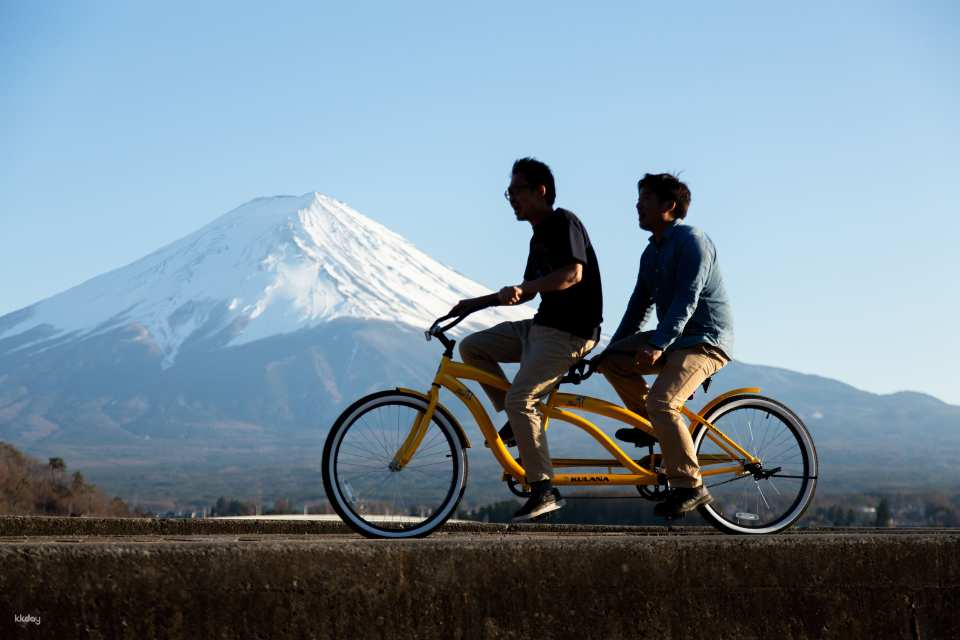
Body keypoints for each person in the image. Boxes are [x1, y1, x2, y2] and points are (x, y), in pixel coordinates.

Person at [449, 157, 603, 522]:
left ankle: (543, 488)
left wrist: (527, 287)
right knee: (472, 347)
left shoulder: (563, 222)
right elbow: (528, 292)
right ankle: (516, 423)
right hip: (541, 327)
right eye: (509, 193)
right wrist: (476, 303)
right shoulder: (538, 235)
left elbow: (572, 274)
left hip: (570, 333)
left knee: (522, 398)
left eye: (516, 191)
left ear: (540, 191)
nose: (512, 199)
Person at [597, 172, 734, 518]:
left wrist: (658, 343)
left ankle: (691, 486)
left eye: (645, 198)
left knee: (663, 402)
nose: (637, 205)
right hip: (673, 338)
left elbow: (687, 299)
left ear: (669, 205)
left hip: (705, 339)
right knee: (612, 362)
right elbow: (637, 307)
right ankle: (653, 427)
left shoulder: (693, 241)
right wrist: (609, 351)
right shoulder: (651, 253)